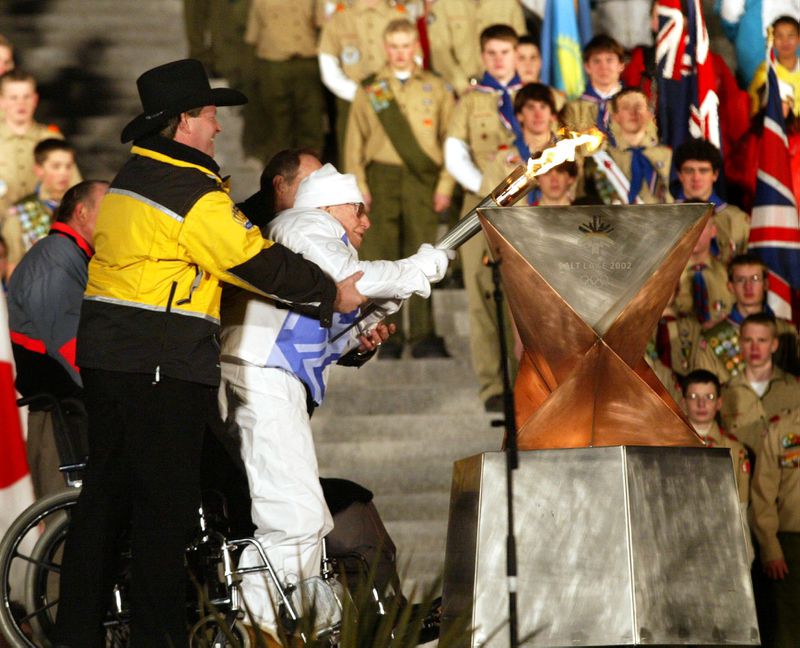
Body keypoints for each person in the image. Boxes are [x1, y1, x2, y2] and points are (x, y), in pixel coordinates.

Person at [53, 59, 365, 647]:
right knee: (163, 516)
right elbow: (251, 259)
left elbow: (222, 229)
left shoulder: (136, 177)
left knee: (103, 506)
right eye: (210, 116)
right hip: (159, 364)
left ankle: (75, 635)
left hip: (111, 358)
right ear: (182, 123)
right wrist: (333, 291)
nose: (218, 128)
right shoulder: (192, 191)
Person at [218, 163, 451, 640]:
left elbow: (328, 321)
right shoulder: (304, 224)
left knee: (306, 517)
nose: (365, 222)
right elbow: (352, 279)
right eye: (357, 210)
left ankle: (285, 625)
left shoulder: (310, 234)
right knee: (295, 517)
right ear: (327, 206)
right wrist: (418, 266)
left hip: (271, 375)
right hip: (261, 375)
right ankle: (258, 628)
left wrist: (364, 330)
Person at [345, 18, 454, 359]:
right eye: (394, 46)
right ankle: (385, 335)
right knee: (381, 257)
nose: (400, 52)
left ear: (416, 49)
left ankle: (423, 334)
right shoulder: (371, 89)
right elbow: (354, 143)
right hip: (381, 178)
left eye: (406, 45)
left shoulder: (436, 88)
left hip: (423, 180)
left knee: (423, 254)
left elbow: (449, 140)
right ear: (385, 48)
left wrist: (445, 185)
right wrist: (359, 186)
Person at [6, 180, 108, 499]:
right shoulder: (54, 259)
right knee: (67, 531)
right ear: (81, 212)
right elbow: (72, 349)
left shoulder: (69, 255)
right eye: (110, 209)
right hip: (60, 421)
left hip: (70, 412)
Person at [445, 23, 522, 412]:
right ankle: (493, 385)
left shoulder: (537, 98)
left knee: (527, 301)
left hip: (528, 210)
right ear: (482, 55)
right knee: (482, 298)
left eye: (504, 52)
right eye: (490, 53)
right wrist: (490, 191)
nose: (497, 59)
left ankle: (529, 380)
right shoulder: (471, 101)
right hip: (481, 206)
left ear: (516, 53)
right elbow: (454, 152)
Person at [318, 0, 412, 160]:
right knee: (352, 158)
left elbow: (415, 58)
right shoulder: (340, 17)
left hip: (394, 99)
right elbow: (328, 63)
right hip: (351, 100)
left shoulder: (399, 14)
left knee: (393, 156)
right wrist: (358, 93)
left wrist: (393, 89)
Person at [694, 254, 798, 383]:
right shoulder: (712, 338)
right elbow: (702, 389)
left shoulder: (787, 331)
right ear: (730, 287)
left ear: (765, 284)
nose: (748, 286)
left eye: (755, 279)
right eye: (741, 280)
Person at [244, 0, 325, 162]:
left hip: (306, 61)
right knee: (277, 122)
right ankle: (279, 171)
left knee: (311, 119)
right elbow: (253, 34)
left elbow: (323, 23)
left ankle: (311, 169)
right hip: (273, 63)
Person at [750, 405, 800, 648]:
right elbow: (763, 494)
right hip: (791, 548)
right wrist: (770, 546)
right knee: (787, 633)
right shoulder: (783, 430)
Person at [0, 70, 80, 216]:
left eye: (26, 97)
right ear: (1, 101)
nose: (21, 103)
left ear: (35, 99)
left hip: (43, 227)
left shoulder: (51, 138)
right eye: (13, 97)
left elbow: (74, 189)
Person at [720, 313, 800, 457]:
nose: (754, 348)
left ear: (774, 345)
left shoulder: (795, 389)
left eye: (762, 340)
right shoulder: (724, 394)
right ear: (740, 344)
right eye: (748, 340)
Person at [584, 88, 672, 205]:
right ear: (615, 116)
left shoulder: (668, 156)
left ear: (649, 114)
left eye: (639, 107)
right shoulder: (602, 158)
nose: (633, 112)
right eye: (626, 107)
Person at [2, 138, 77, 276]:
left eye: (68, 166)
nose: (63, 173)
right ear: (38, 169)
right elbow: (12, 268)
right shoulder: (19, 213)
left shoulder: (79, 208)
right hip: (35, 289)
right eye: (56, 166)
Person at [674, 138, 750, 265]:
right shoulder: (664, 217)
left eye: (703, 170)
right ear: (680, 175)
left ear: (715, 174)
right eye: (689, 171)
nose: (696, 178)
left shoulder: (738, 221)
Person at [425, 0, 526, 95]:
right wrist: (462, 86)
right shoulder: (443, 5)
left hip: (505, 91)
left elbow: (522, 49)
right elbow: (440, 53)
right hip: (455, 92)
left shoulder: (509, 5)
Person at [682, 369, 751, 507]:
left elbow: (741, 507)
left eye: (709, 397)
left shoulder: (735, 449)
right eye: (694, 396)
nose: (701, 404)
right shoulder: (668, 445)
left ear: (719, 403)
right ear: (683, 403)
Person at [673, 214, 734, 327]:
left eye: (700, 228)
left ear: (713, 231)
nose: (693, 234)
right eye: (688, 228)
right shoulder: (663, 276)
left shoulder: (730, 272)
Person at [561, 34, 625, 136]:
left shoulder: (636, 103)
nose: (603, 67)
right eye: (596, 61)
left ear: (621, 65)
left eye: (609, 60)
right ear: (587, 67)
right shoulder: (574, 109)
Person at [748, 15, 800, 118]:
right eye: (779, 36)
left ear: (799, 39)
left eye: (790, 36)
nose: (785, 41)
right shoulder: (765, 72)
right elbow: (755, 109)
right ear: (772, 40)